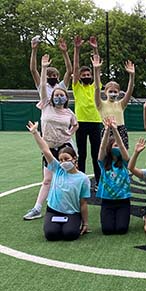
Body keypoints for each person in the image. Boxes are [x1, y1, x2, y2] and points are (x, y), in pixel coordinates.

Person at [23, 54, 79, 220]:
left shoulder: (69, 112)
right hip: (48, 148)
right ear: (52, 97)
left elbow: (76, 124)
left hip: (65, 147)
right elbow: (41, 83)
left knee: (68, 177)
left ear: (66, 97)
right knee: (47, 179)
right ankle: (37, 208)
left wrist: (71, 133)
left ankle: (72, 206)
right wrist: (44, 67)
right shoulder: (46, 105)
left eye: (62, 95)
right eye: (56, 95)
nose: (59, 97)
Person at [27, 121, 90, 241]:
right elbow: (46, 150)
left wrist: (85, 223)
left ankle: (72, 224)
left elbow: (83, 203)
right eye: (60, 160)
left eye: (66, 159)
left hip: (72, 212)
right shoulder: (57, 169)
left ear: (75, 159)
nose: (63, 162)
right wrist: (35, 133)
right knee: (51, 234)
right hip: (53, 210)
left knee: (70, 234)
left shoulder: (83, 178)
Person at [72, 35, 102, 186]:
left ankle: (98, 181)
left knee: (96, 154)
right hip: (81, 123)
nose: (86, 76)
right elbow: (75, 68)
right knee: (81, 154)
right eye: (83, 75)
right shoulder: (77, 87)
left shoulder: (95, 86)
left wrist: (94, 48)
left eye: (88, 75)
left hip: (96, 122)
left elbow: (97, 66)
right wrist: (77, 49)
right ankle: (82, 181)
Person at [95, 117, 131, 235]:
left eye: (117, 146)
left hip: (123, 201)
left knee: (121, 229)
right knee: (107, 230)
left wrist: (115, 130)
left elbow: (121, 145)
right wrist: (106, 131)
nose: (116, 147)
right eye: (113, 145)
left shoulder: (125, 162)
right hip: (107, 201)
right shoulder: (103, 162)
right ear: (109, 148)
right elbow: (101, 146)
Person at [92, 54, 135, 148]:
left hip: (121, 130)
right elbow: (96, 89)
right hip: (108, 130)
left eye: (115, 91)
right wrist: (96, 70)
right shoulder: (100, 104)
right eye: (110, 91)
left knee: (122, 155)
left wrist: (132, 75)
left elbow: (130, 90)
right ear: (106, 92)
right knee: (107, 155)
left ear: (119, 93)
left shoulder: (121, 104)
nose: (113, 93)